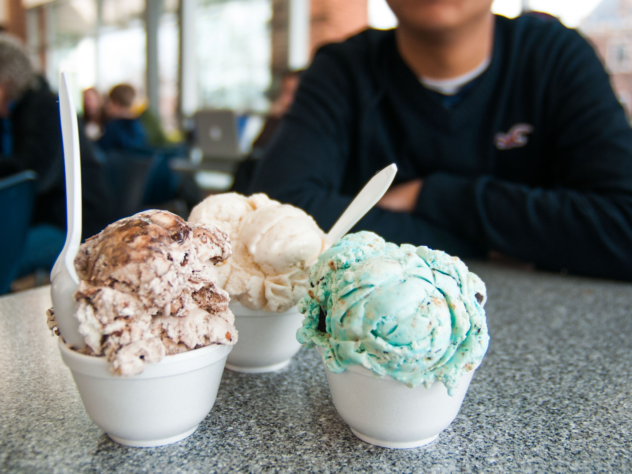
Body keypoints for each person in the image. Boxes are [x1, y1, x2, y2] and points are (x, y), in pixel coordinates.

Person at [251, 1, 632, 281]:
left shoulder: (554, 58)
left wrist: (434, 196)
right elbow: (279, 216)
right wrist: (485, 244)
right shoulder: (343, 70)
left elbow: (623, 226)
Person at [0, 34, 112, 280]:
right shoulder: (24, 110)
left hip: (73, 228)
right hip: (52, 218)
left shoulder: (43, 107)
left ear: (7, 78)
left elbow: (34, 175)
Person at [98, 84, 148, 151]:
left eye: (109, 102)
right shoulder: (138, 124)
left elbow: (101, 149)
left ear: (116, 103)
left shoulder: (113, 126)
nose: (107, 106)